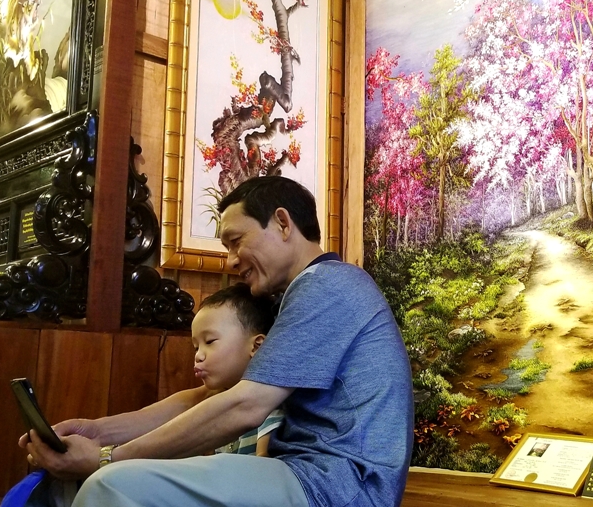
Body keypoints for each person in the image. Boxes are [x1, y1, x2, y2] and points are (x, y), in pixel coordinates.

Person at [23, 176, 415, 507]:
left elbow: (246, 406)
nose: (231, 260)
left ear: (282, 223)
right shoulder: (302, 293)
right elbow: (205, 398)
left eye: (236, 240)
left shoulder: (329, 284)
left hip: (338, 486)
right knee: (70, 485)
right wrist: (97, 432)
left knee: (110, 486)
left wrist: (106, 459)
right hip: (303, 475)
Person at [193, 283, 284, 456]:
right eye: (196, 347)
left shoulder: (268, 406)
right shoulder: (219, 410)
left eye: (209, 341)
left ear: (256, 346)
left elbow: (263, 466)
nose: (198, 355)